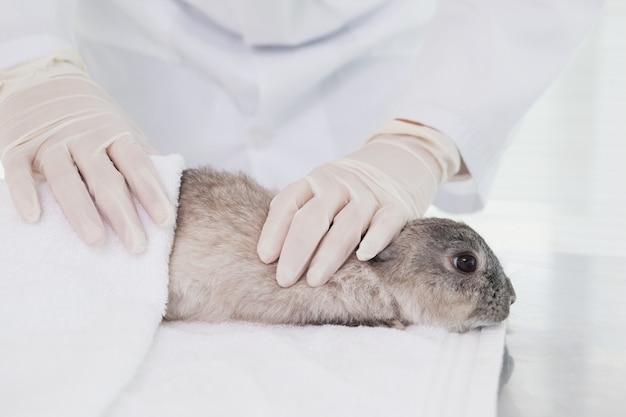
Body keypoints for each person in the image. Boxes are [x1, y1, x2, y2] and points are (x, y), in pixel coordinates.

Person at [0, 0, 604, 287]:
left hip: (379, 46)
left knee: (349, 288)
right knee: (121, 266)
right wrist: (25, 59)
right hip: (142, 36)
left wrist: (428, 130)